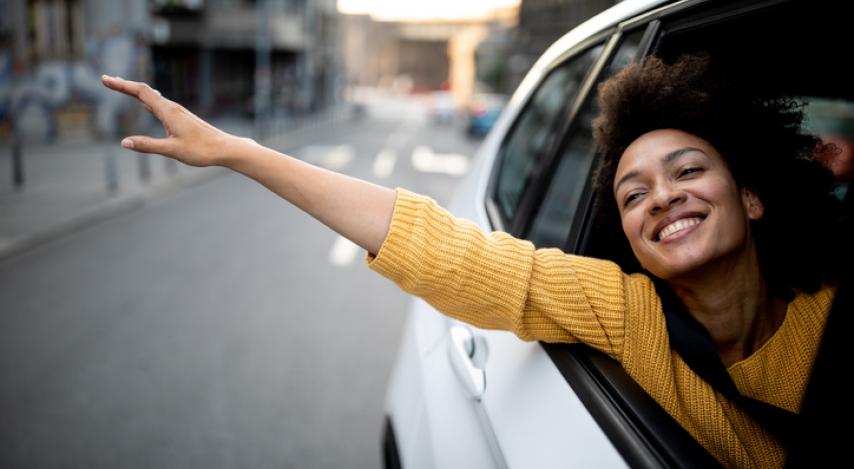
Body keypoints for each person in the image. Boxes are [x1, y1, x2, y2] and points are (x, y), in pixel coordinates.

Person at [99, 54, 843, 468]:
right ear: (628, 233)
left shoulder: (827, 310)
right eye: (634, 193)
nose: (663, 197)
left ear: (751, 197)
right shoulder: (625, 311)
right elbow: (448, 252)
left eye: (688, 172)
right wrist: (238, 152)